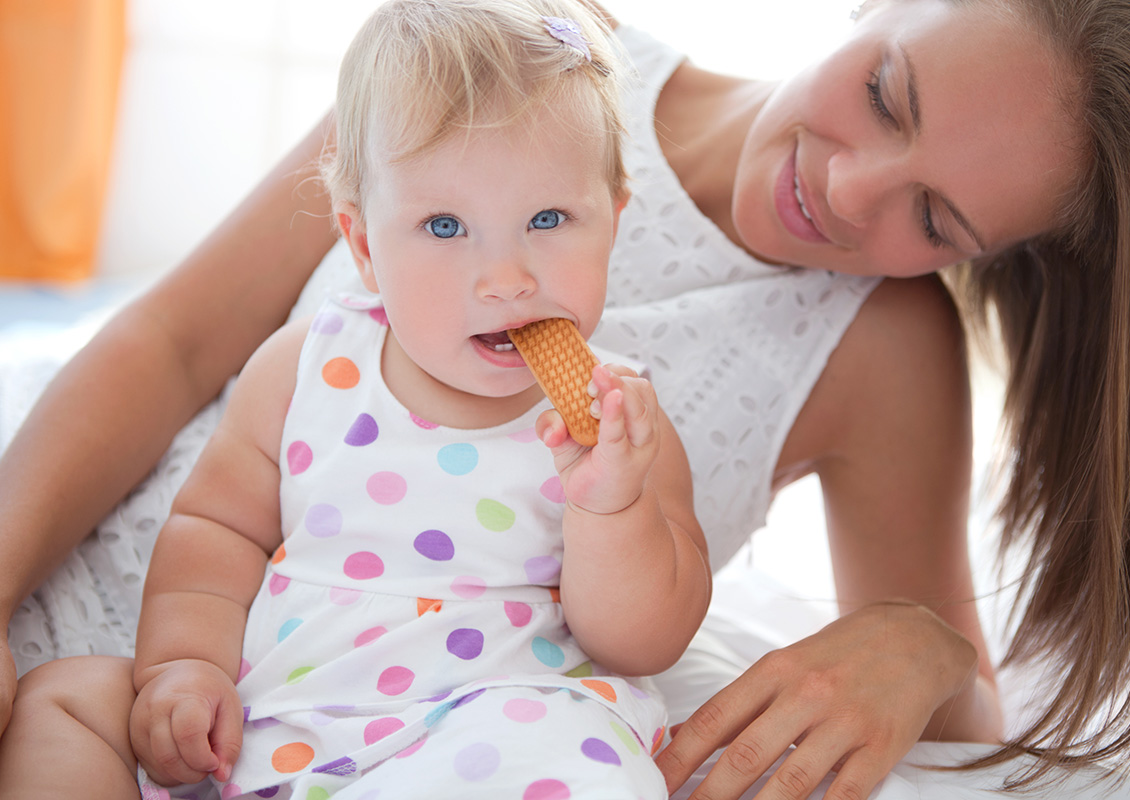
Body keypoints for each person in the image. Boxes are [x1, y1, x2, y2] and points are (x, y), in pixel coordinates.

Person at [2, 0, 1130, 797]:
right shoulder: (506, 50)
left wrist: (921, 644)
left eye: (936, 219)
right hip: (119, 617)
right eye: (888, 94)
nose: (845, 186)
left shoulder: (880, 350)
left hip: (429, 723)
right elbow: (166, 345)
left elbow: (964, 704)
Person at [0, 1, 711, 797]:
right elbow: (217, 531)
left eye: (548, 219)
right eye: (444, 227)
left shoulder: (618, 422)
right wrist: (185, 669)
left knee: (583, 760)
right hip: (276, 723)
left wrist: (611, 508)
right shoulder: (309, 364)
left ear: (612, 221)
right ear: (365, 246)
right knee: (65, 697)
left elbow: (644, 641)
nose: (505, 277)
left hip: (498, 723)